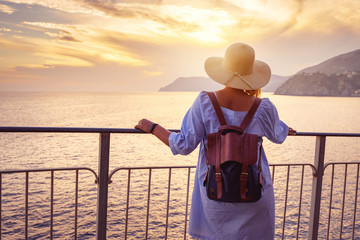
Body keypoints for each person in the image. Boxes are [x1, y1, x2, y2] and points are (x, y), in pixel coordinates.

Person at [135, 43, 296, 240]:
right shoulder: (263, 107)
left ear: (224, 70)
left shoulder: (205, 102)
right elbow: (278, 135)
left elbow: (183, 145)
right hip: (254, 190)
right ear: (251, 74)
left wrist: (153, 128)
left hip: (216, 194)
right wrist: (283, 127)